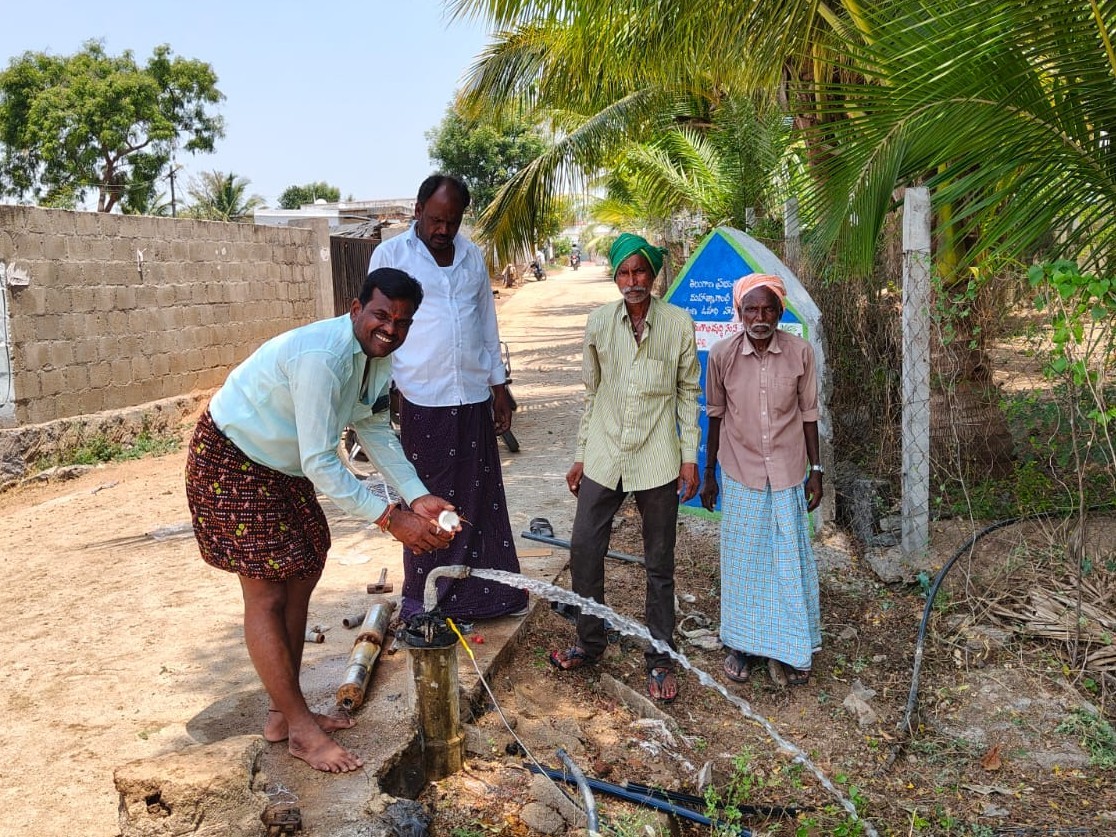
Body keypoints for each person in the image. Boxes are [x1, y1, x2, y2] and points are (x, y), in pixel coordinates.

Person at [185, 268, 458, 774]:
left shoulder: (376, 355)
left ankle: (280, 713)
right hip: (234, 459)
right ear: (356, 309)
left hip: (280, 466)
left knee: (307, 563)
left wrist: (417, 496)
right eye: (381, 315)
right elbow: (320, 460)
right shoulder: (323, 357)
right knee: (265, 592)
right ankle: (301, 730)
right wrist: (389, 517)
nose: (390, 329)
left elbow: (372, 422)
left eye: (402, 321)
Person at [551, 232, 701, 703]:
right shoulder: (598, 323)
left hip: (657, 458)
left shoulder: (678, 323)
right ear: (614, 276)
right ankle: (589, 641)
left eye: (640, 272)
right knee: (584, 548)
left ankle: (660, 657)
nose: (632, 281)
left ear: (653, 276)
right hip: (604, 454)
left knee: (660, 563)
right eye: (624, 272)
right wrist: (580, 453)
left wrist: (690, 458)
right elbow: (593, 395)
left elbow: (687, 394)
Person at [370, 174, 528, 620]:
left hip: (473, 394)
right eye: (436, 219)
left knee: (480, 499)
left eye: (452, 221)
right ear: (418, 211)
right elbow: (380, 326)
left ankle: (489, 597)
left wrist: (499, 388)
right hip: (422, 396)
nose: (443, 230)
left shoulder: (473, 256)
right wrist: (389, 389)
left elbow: (486, 324)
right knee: (426, 499)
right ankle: (424, 601)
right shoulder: (391, 255)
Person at [699, 273, 823, 687]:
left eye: (768, 308)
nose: (760, 317)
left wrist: (816, 472)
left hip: (788, 470)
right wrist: (709, 474)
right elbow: (715, 416)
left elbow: (809, 416)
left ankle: (792, 647)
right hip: (740, 469)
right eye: (751, 309)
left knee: (788, 559)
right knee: (744, 561)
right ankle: (742, 645)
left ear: (780, 311)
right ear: (739, 312)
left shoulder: (800, 353)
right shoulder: (722, 355)